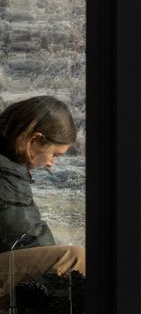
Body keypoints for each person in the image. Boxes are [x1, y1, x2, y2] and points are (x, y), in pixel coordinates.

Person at [0, 95, 87, 298]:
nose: (51, 164)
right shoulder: (5, 173)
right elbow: (22, 237)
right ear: (35, 140)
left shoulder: (9, 165)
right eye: (54, 155)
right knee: (73, 259)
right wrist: (55, 256)